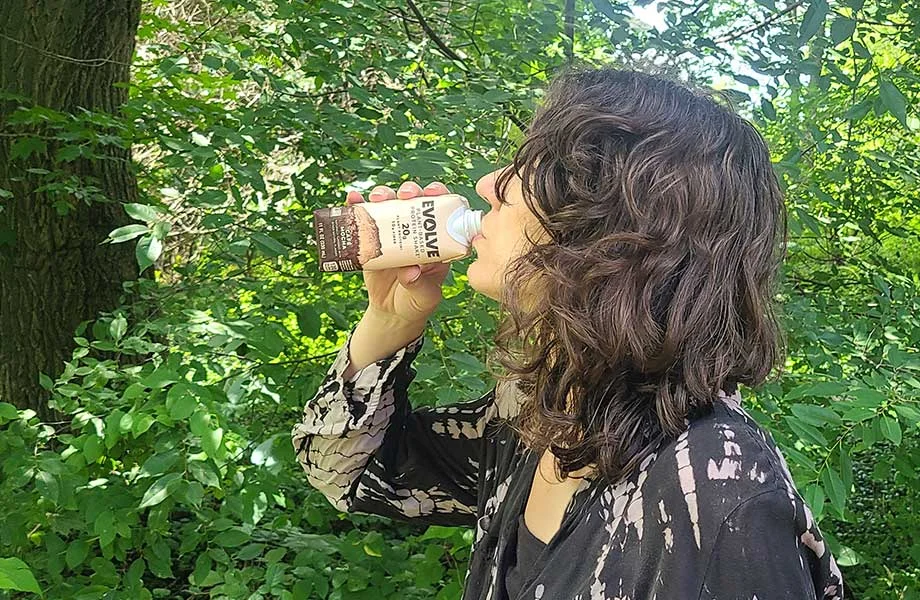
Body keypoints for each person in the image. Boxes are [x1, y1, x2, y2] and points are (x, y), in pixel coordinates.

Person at [291, 66, 844, 600]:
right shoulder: (543, 417)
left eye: (529, 168)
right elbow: (349, 471)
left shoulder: (717, 489)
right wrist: (392, 318)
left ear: (613, 226)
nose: (489, 184)